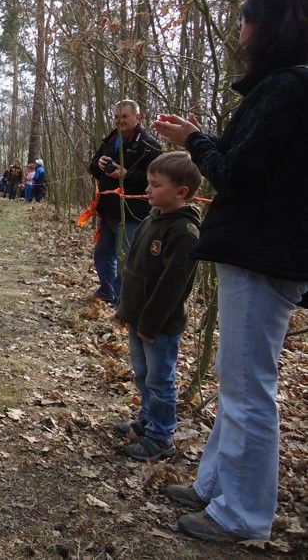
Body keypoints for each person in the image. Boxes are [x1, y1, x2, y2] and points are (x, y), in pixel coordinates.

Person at [152, 0, 308, 544]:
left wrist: (194, 141)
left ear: (266, 26)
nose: (239, 31)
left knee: (248, 386)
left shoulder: (286, 88)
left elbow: (234, 172)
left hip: (263, 254)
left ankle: (241, 514)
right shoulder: (286, 89)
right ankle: (215, 483)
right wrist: (200, 138)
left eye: (245, 19)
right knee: (237, 377)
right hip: (266, 249)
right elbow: (253, 165)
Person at [114, 152, 202, 462]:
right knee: (142, 374)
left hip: (160, 325)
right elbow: (134, 271)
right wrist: (125, 310)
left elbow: (171, 287)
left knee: (160, 379)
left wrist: (150, 325)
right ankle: (148, 419)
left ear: (181, 191)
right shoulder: (152, 219)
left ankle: (161, 436)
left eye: (156, 185)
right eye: (148, 183)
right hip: (138, 317)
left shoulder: (184, 232)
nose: (147, 189)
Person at [88, 100, 161, 305]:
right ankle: (107, 291)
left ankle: (122, 300)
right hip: (107, 209)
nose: (119, 120)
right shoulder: (111, 139)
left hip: (132, 213)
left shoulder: (149, 145)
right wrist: (98, 165)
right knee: (102, 253)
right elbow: (92, 167)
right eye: (116, 117)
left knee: (128, 258)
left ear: (138, 117)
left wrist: (126, 175)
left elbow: (157, 179)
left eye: (124, 116)